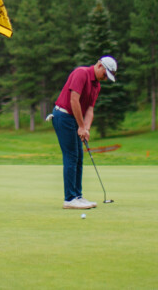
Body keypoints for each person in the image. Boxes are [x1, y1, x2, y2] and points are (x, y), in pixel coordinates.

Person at [50, 55, 117, 210]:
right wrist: (81, 126)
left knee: (79, 157)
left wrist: (86, 128)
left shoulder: (97, 86)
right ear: (99, 65)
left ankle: (77, 196)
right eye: (105, 74)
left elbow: (90, 109)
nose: (105, 78)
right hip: (63, 116)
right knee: (71, 156)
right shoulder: (81, 73)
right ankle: (69, 198)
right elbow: (74, 100)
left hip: (74, 119)